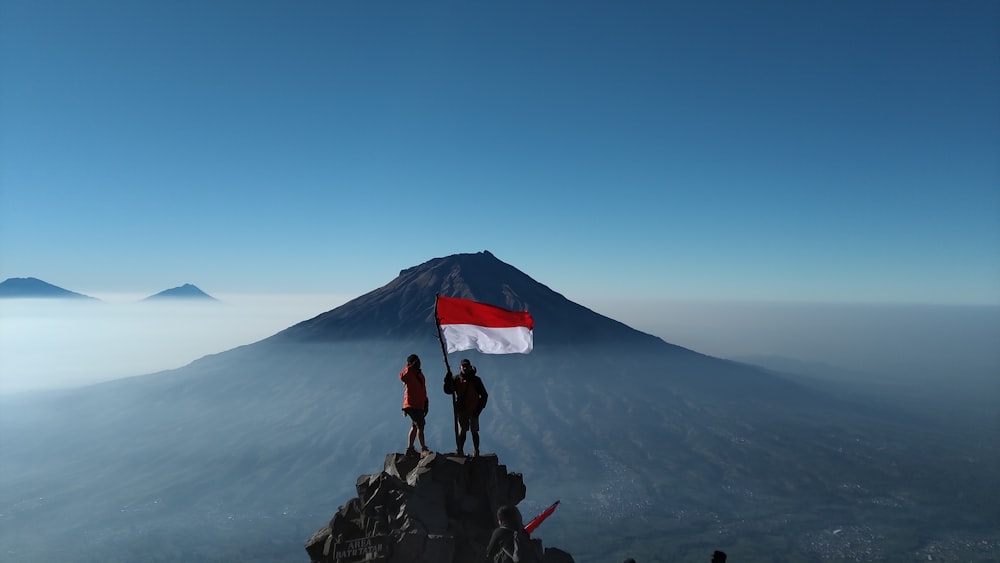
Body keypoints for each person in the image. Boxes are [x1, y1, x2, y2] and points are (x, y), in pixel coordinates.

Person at [443, 358, 488, 456]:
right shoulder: (456, 379)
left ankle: (476, 451)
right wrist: (447, 380)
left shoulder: (476, 380)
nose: (465, 368)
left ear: (470, 367)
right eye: (464, 366)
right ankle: (460, 450)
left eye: (467, 366)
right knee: (463, 430)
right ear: (460, 367)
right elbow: (448, 391)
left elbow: (484, 395)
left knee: (474, 431)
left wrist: (479, 409)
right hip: (462, 410)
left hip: (474, 409)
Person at [399, 354, 429, 457]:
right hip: (411, 404)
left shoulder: (419, 375)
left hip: (419, 404)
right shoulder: (409, 373)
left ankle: (410, 449)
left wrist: (426, 402)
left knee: (415, 426)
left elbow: (422, 390)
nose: (419, 363)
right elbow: (402, 377)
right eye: (416, 362)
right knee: (420, 425)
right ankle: (423, 449)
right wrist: (409, 367)